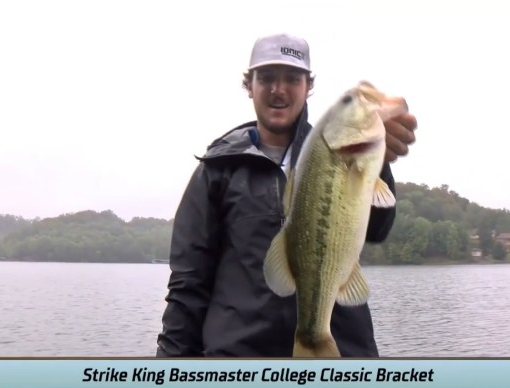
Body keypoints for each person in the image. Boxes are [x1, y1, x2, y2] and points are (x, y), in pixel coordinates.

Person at [156, 33, 417, 357]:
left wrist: (377, 163)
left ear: (308, 87)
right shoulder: (215, 172)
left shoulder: (336, 149)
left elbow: (378, 229)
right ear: (249, 86)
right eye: (266, 77)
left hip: (341, 361)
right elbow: (187, 286)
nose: (278, 89)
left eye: (292, 78)